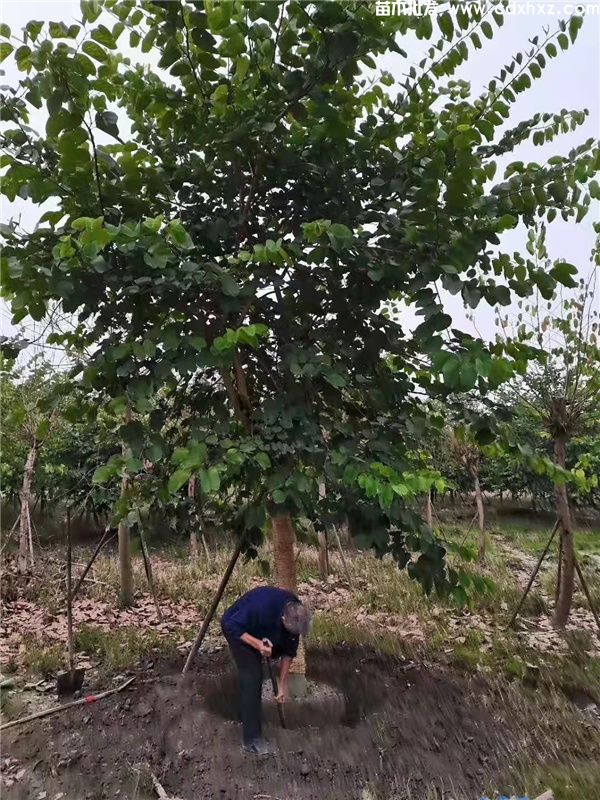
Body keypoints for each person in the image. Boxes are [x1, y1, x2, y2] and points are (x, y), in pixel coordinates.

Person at [221, 585, 310, 755]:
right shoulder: (262, 606)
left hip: (263, 631)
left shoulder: (296, 614)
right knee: (253, 676)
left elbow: (289, 652)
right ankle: (252, 740)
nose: (295, 634)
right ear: (283, 619)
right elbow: (229, 624)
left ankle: (245, 712)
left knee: (258, 670)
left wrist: (282, 686)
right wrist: (257, 644)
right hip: (239, 629)